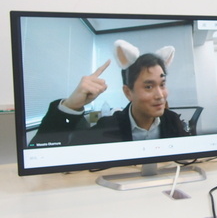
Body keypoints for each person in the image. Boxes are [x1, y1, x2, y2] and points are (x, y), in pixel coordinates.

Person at [31, 43, 190, 146]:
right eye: (149, 86)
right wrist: (70, 106)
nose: (160, 95)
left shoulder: (172, 121)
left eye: (162, 85)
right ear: (128, 92)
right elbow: (43, 154)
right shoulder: (108, 126)